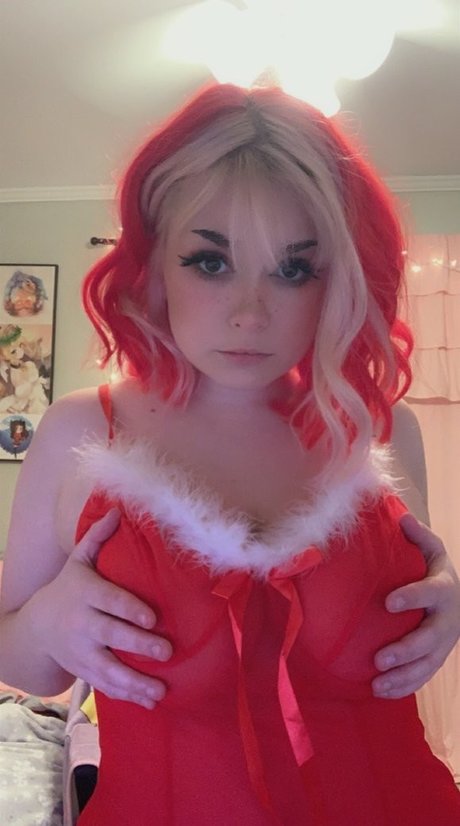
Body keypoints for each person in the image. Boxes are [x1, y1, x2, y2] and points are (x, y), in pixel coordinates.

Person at [1, 83, 459, 825]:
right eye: (210, 262)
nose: (250, 313)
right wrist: (47, 622)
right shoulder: (80, 431)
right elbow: (17, 654)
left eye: (293, 269)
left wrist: (448, 603)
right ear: (155, 262)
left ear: (337, 276)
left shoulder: (380, 429)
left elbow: (423, 595)